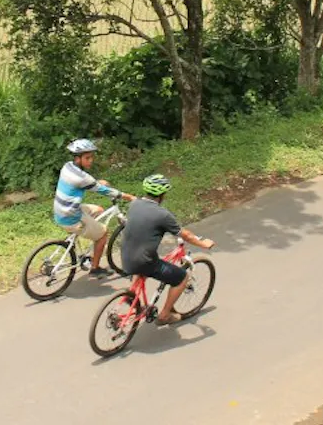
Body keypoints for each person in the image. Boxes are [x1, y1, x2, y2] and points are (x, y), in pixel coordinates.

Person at [120, 174, 214, 325]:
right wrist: (204, 243)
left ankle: (131, 297)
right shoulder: (163, 215)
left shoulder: (134, 204)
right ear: (162, 194)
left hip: (125, 255)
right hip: (144, 261)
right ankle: (165, 315)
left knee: (142, 265)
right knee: (181, 278)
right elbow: (186, 235)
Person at [54, 139, 134, 277]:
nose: (91, 160)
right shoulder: (82, 178)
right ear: (78, 158)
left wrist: (97, 183)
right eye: (87, 158)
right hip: (72, 216)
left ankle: (87, 235)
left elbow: (88, 182)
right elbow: (104, 190)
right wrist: (129, 197)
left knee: (99, 210)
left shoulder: (67, 167)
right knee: (103, 235)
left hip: (60, 210)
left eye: (91, 157)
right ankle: (95, 268)